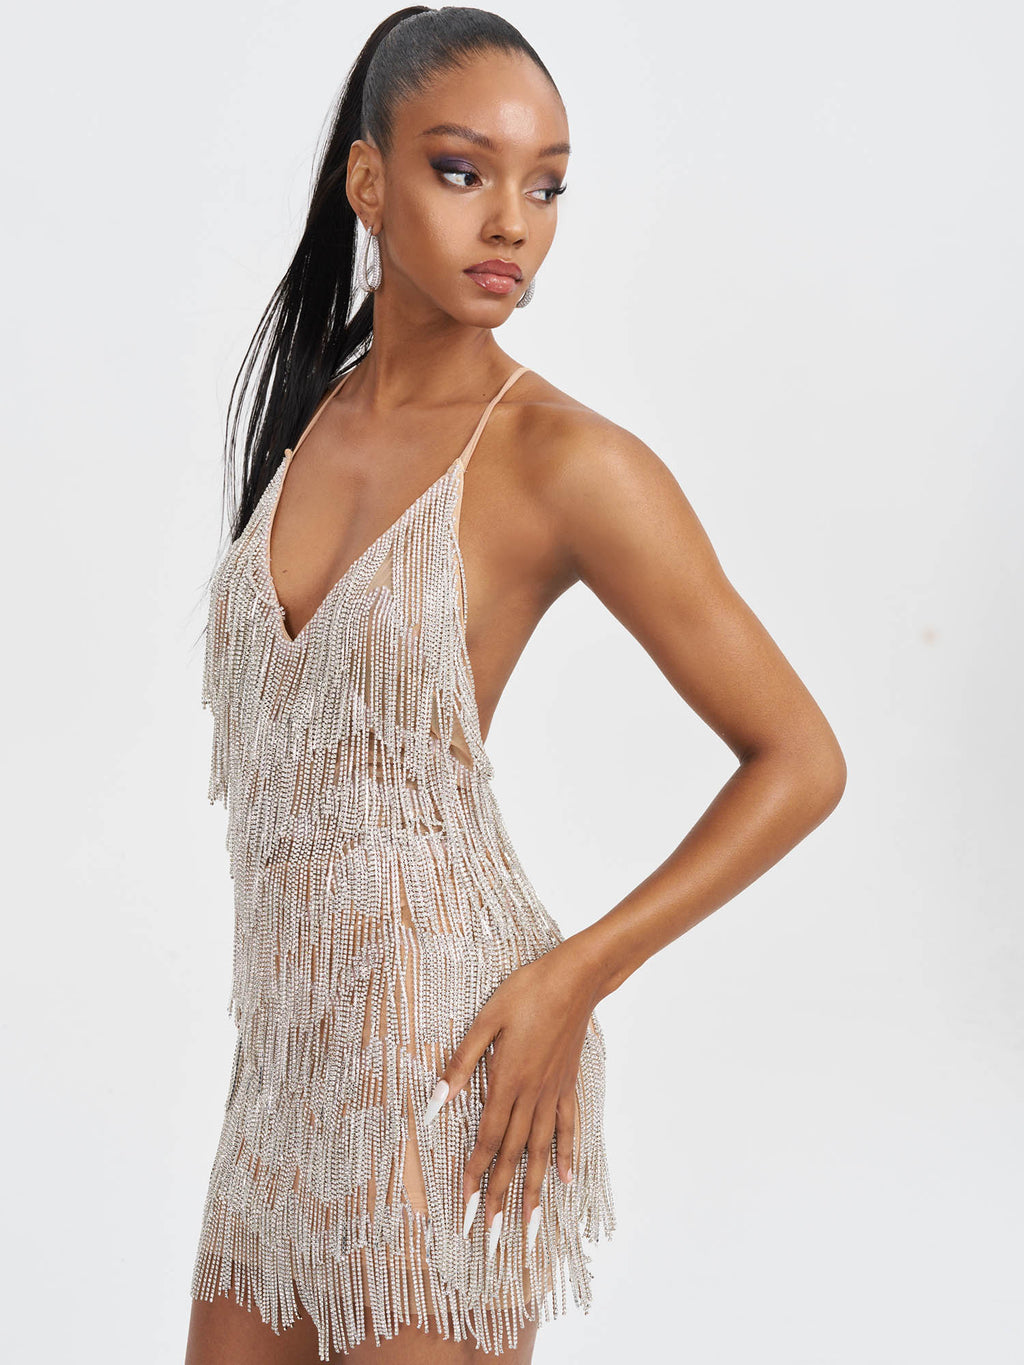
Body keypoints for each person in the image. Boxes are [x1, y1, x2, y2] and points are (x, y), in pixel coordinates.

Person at [184, 7, 847, 1364]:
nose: (512, 224)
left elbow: (800, 758)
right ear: (368, 182)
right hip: (282, 1085)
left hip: (457, 1060)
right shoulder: (309, 412)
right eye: (462, 170)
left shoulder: (565, 461)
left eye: (546, 185)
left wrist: (572, 982)